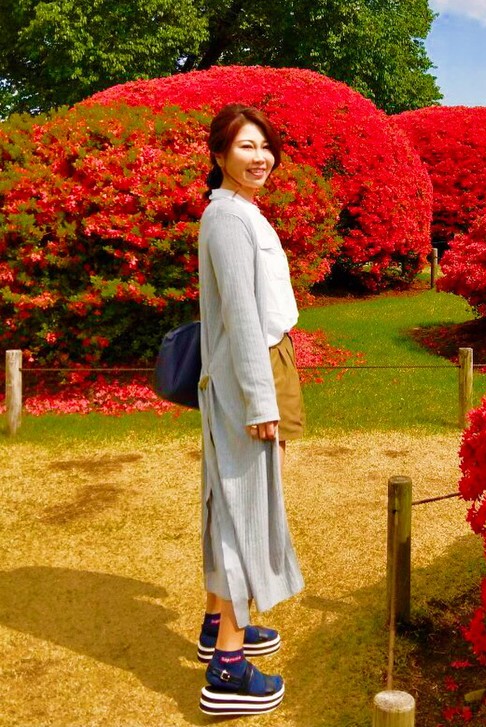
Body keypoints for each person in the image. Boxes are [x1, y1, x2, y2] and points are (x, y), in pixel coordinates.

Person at [194, 103, 306, 717]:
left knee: (232, 503)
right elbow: (239, 315)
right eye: (245, 146)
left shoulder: (238, 213)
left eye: (265, 145)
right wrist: (261, 399)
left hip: (259, 365)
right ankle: (228, 668)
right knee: (245, 511)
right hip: (250, 375)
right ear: (219, 155)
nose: (259, 157)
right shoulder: (229, 219)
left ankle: (216, 627)